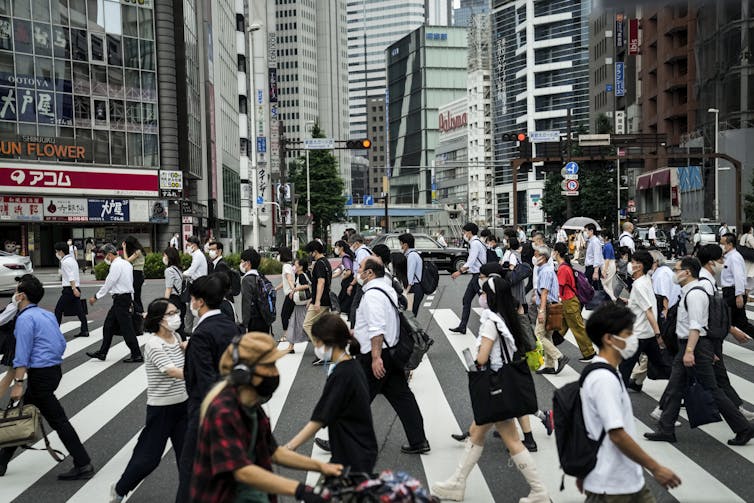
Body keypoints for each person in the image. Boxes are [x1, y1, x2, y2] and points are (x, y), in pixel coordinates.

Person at [432, 275, 549, 503]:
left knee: (508, 440)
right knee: (479, 433)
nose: (481, 296)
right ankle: (457, 482)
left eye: (484, 293)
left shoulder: (490, 321)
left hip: (495, 389)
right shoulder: (508, 318)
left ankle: (540, 492)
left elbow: (483, 357)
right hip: (504, 387)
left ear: (492, 297)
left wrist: (474, 362)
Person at [190, 332, 342, 502]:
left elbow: (274, 452)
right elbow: (241, 470)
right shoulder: (223, 411)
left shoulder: (252, 406)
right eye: (269, 366)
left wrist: (322, 466)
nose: (275, 372)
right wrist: (300, 489)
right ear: (244, 373)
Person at [644, 257, 754, 445]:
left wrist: (690, 351)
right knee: (675, 387)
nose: (674, 273)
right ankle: (666, 428)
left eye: (677, 270)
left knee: (713, 389)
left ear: (687, 273)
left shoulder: (695, 294)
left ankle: (744, 428)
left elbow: (697, 326)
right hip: (689, 346)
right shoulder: (689, 291)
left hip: (693, 346)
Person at [579, 303, 681, 501]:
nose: (633, 338)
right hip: (612, 485)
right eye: (628, 333)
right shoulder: (604, 379)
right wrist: (656, 468)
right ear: (609, 339)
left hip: (623, 478)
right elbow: (616, 434)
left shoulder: (606, 371)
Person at [0, 274, 93, 480]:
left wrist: (18, 383)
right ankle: (2, 460)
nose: (14, 295)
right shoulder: (47, 315)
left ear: (21, 296)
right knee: (24, 412)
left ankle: (83, 462)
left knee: (58, 420)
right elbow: (61, 343)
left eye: (16, 291)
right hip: (53, 370)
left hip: (40, 375)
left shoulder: (24, 319)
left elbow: (22, 354)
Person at [111, 299, 188, 502]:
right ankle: (120, 489)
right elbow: (172, 371)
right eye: (171, 313)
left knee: (188, 459)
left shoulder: (177, 337)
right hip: (161, 409)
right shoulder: (154, 344)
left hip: (183, 406)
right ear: (159, 319)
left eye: (176, 312)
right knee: (148, 459)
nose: (176, 316)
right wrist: (201, 373)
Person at [354, 257, 430, 454]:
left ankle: (343, 439)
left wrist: (376, 357)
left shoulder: (372, 295)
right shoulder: (386, 288)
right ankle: (418, 440)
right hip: (392, 351)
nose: (358, 271)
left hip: (377, 354)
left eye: (360, 268)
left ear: (369, 273)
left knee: (356, 397)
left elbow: (377, 328)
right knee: (403, 398)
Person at [176, 275, 240, 502]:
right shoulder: (229, 325)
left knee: (190, 469)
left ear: (200, 301)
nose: (191, 303)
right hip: (233, 405)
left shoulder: (201, 335)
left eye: (192, 299)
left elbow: (204, 381)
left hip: (206, 411)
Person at [286, 314, 378, 472]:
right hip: (358, 448)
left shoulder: (342, 375)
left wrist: (289, 447)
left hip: (353, 453)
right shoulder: (353, 365)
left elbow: (320, 418)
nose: (316, 347)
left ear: (328, 342)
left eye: (317, 342)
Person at [694, 244, 754, 421]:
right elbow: (707, 314)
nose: (723, 262)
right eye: (721, 259)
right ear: (711, 262)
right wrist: (732, 330)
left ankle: (665, 411)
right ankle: (738, 418)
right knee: (715, 379)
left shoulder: (708, 280)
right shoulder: (704, 283)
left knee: (683, 378)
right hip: (706, 338)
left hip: (705, 337)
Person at [616, 251, 664, 390]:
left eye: (635, 262)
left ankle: (619, 400)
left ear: (641, 266)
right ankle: (681, 385)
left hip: (639, 335)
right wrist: (630, 302)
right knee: (661, 365)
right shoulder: (646, 279)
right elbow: (644, 303)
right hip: (647, 334)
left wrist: (658, 334)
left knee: (624, 367)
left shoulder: (638, 285)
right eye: (633, 261)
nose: (632, 264)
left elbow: (648, 310)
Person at [86, 244, 142, 363]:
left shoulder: (116, 265)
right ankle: (102, 352)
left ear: (110, 255)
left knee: (127, 328)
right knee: (108, 326)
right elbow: (129, 283)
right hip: (124, 298)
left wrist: (96, 297)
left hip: (121, 300)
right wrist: (131, 300)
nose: (105, 259)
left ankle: (137, 354)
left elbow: (109, 283)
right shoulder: (127, 264)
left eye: (105, 256)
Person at [552, 243, 595, 362]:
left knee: (577, 328)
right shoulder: (565, 266)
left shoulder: (563, 269)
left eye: (553, 251)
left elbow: (559, 288)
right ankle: (550, 347)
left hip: (569, 301)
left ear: (557, 253)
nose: (552, 253)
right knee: (561, 326)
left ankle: (589, 353)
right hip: (570, 301)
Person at [533, 245, 569, 375]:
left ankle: (559, 356)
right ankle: (549, 365)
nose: (534, 257)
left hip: (547, 306)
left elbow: (545, 292)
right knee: (547, 335)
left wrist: (541, 311)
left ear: (543, 257)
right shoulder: (544, 270)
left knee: (538, 334)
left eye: (536, 254)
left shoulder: (546, 271)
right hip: (549, 305)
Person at [450, 223, 487, 334]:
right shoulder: (477, 242)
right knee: (466, 300)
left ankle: (497, 324)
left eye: (465, 232)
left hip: (478, 276)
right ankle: (462, 326)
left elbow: (471, 261)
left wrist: (459, 272)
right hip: (476, 276)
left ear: (470, 232)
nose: (464, 234)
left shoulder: (475, 243)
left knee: (486, 302)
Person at [302, 240, 332, 359]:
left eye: (310, 252)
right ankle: (328, 350)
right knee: (323, 327)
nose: (310, 255)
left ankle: (322, 352)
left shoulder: (319, 263)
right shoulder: (326, 262)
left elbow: (321, 282)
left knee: (307, 324)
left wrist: (317, 300)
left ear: (314, 252)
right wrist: (313, 298)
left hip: (321, 300)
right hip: (325, 298)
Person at [721, 233, 754, 338]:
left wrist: (739, 295)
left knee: (722, 319)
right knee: (741, 323)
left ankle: (712, 346)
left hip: (732, 293)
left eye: (723, 244)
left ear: (730, 244)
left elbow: (739, 276)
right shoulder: (729, 257)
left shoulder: (734, 257)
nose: (721, 246)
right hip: (731, 292)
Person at [53, 241, 89, 338]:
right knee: (79, 311)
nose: (56, 253)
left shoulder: (65, 262)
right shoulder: (72, 260)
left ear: (61, 251)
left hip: (69, 289)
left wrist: (73, 289)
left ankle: (55, 332)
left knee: (58, 310)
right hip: (75, 288)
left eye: (57, 251)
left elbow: (70, 276)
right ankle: (85, 330)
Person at [240, 248, 271, 333]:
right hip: (264, 318)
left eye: (242, 261)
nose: (241, 264)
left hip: (254, 321)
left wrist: (245, 324)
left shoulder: (247, 279)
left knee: (254, 345)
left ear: (248, 263)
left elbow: (247, 303)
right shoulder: (260, 276)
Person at [284, 257, 312, 353]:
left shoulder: (301, 276)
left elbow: (306, 286)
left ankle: (323, 345)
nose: (294, 267)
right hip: (300, 306)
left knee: (305, 326)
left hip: (303, 306)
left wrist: (295, 290)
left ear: (300, 267)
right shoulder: (301, 275)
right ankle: (291, 346)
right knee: (294, 325)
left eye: (295, 265)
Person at [183, 236, 208, 334]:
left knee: (196, 307)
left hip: (198, 284)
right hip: (197, 284)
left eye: (188, 245)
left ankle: (194, 329)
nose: (187, 247)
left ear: (194, 245)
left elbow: (191, 270)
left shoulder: (197, 255)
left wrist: (182, 274)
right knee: (191, 307)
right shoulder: (197, 255)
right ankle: (188, 329)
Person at [163, 247, 187, 339]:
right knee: (180, 327)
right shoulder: (178, 269)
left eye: (164, 255)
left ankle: (183, 348)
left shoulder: (169, 270)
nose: (163, 258)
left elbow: (168, 289)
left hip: (174, 301)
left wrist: (164, 303)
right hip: (181, 301)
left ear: (169, 257)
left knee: (175, 328)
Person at [276, 246, 296, 345]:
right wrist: (275, 289)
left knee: (284, 315)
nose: (278, 256)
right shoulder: (290, 265)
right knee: (290, 315)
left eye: (279, 254)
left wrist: (293, 290)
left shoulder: (286, 266)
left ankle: (286, 336)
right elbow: (285, 281)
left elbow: (289, 279)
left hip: (290, 294)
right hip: (290, 293)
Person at [401, 233, 424, 316]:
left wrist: (406, 291)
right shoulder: (415, 254)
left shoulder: (411, 256)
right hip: (417, 287)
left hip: (414, 287)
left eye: (401, 244)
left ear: (406, 245)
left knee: (410, 315)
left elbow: (410, 275)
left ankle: (416, 329)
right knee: (412, 314)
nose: (401, 247)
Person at [123, 236, 146, 319]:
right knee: (136, 296)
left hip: (137, 274)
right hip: (138, 274)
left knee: (136, 296)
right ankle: (139, 314)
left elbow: (127, 261)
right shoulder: (139, 250)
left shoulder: (138, 252)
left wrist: (124, 249)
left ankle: (140, 314)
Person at [332, 240, 355, 316]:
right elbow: (340, 270)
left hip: (347, 283)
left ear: (341, 248)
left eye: (336, 247)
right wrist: (330, 277)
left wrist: (343, 277)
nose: (335, 249)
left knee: (344, 303)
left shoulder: (345, 258)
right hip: (348, 283)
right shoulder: (345, 258)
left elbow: (349, 272)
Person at [584, 223, 604, 289]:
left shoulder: (595, 241)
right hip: (589, 268)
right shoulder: (591, 241)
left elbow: (597, 257)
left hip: (592, 268)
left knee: (595, 288)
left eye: (586, 230)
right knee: (593, 287)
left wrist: (595, 272)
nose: (585, 233)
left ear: (591, 231)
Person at [601, 230, 617, 301]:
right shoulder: (608, 245)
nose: (601, 238)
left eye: (602, 236)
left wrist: (604, 271)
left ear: (606, 237)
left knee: (602, 283)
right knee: (609, 285)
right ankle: (612, 299)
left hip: (608, 265)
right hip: (610, 265)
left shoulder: (607, 246)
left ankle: (613, 298)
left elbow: (607, 259)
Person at [737, 223, 754, 291]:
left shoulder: (742, 236)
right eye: (751, 228)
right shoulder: (750, 236)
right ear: (749, 229)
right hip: (750, 259)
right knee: (750, 277)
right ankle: (747, 293)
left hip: (745, 258)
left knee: (746, 276)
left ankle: (745, 293)